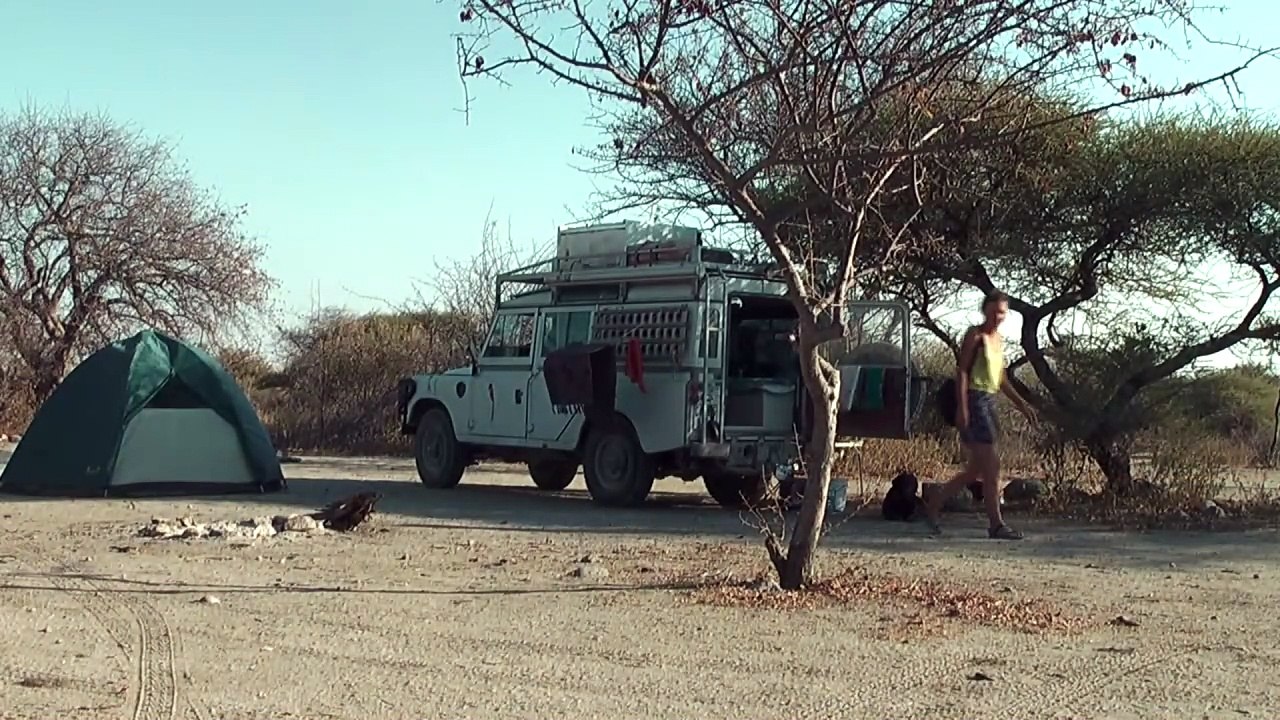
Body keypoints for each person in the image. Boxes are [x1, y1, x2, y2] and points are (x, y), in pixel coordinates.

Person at [923, 291, 1036, 540]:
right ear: (985, 310)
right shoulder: (975, 336)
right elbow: (962, 371)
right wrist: (962, 407)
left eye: (1003, 312)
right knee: (992, 467)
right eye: (995, 311)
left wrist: (1022, 405)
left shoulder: (999, 340)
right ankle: (996, 524)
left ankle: (932, 506)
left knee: (976, 470)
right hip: (974, 400)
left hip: (988, 400)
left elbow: (1001, 378)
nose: (998, 317)